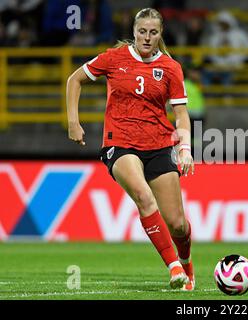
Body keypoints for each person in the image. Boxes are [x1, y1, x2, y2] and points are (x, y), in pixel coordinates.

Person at [66, 8, 195, 291]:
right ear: (134, 32)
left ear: (161, 34)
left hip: (159, 145)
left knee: (178, 225)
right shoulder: (114, 58)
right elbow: (74, 79)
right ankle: (174, 267)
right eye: (142, 32)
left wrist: (185, 148)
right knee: (143, 196)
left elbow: (181, 114)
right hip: (119, 142)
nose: (147, 38)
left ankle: (186, 263)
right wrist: (73, 122)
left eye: (153, 32)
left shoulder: (171, 68)